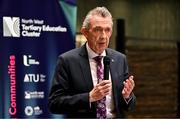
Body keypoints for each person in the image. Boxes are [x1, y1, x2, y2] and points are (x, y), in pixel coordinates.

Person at [48, 6, 136, 118]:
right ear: (85, 32)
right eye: (98, 30)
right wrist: (89, 97)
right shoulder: (67, 61)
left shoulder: (120, 59)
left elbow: (130, 106)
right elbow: (54, 103)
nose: (103, 36)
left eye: (107, 30)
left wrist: (127, 96)